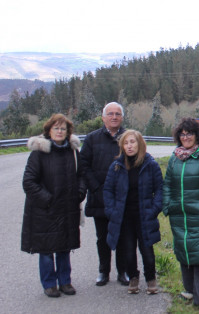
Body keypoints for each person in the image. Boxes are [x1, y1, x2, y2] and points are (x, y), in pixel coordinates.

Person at [21, 114, 86, 298]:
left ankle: (65, 281)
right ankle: (49, 283)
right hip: (45, 210)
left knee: (65, 246)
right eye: (56, 128)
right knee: (47, 249)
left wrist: (79, 193)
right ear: (49, 130)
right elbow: (29, 182)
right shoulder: (39, 153)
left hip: (67, 208)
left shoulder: (72, 152)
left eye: (63, 128)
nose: (59, 131)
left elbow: (81, 175)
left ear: (68, 132)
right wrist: (48, 199)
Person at [163, 118, 199, 314]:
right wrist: (168, 205)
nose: (186, 137)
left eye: (189, 133)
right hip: (179, 214)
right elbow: (168, 184)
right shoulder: (175, 158)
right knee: (184, 251)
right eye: (182, 134)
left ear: (197, 135)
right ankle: (190, 289)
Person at [103, 130, 163, 295]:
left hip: (144, 215)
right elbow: (108, 191)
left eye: (132, 142)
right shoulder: (117, 166)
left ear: (140, 144)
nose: (129, 146)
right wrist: (112, 211)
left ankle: (151, 278)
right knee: (128, 252)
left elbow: (160, 189)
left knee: (147, 252)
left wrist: (154, 209)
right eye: (126, 143)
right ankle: (133, 277)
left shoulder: (150, 164)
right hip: (124, 217)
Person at [79, 101, 129, 286]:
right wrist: (96, 188)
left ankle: (122, 272)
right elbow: (83, 165)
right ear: (103, 117)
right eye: (110, 114)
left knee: (122, 236)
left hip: (123, 198)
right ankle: (103, 271)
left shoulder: (129, 137)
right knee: (103, 238)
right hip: (99, 197)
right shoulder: (92, 139)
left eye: (117, 114)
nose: (114, 117)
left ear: (122, 117)